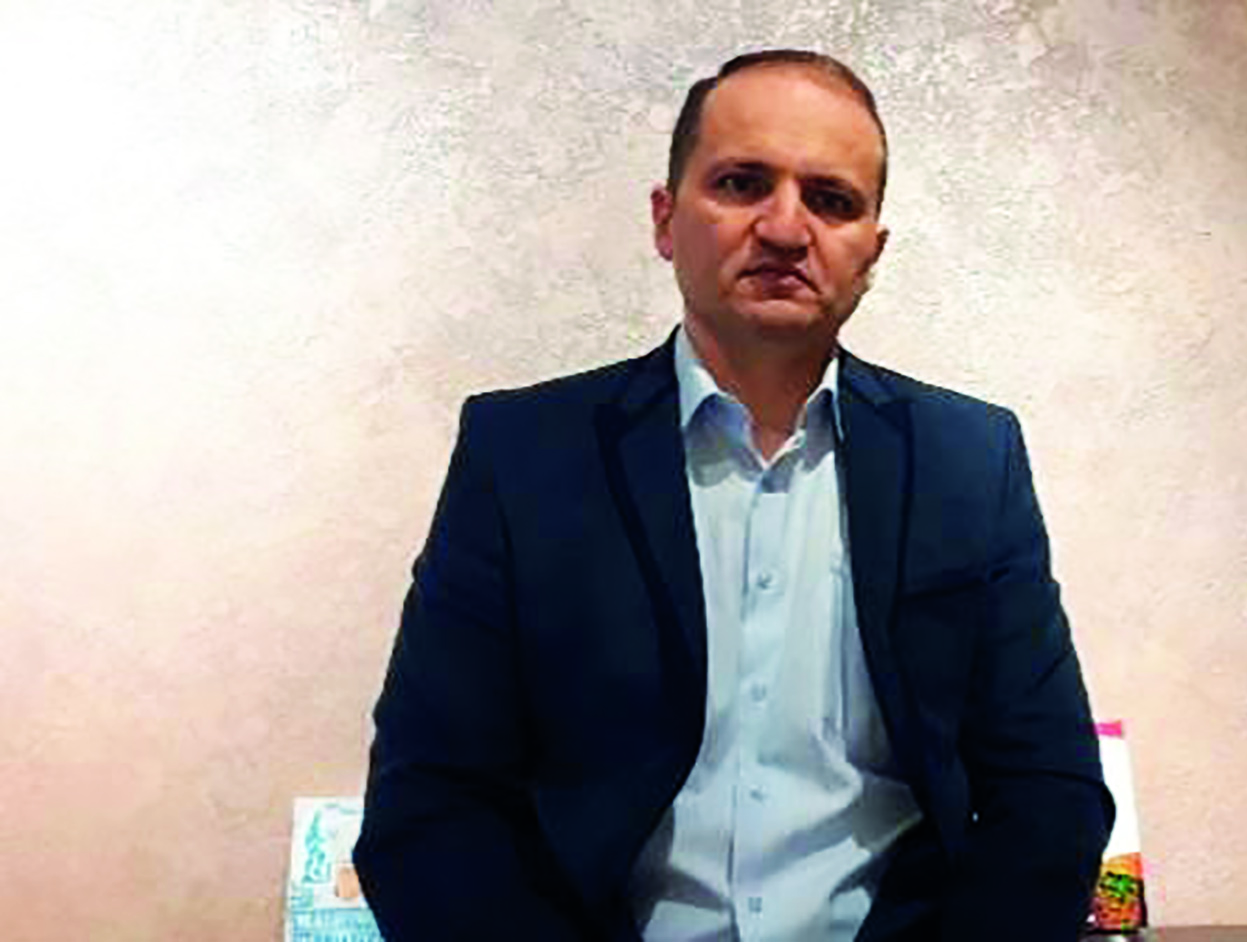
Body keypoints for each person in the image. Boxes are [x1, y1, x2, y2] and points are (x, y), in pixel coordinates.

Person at [353, 49, 1114, 941]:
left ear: (871, 252)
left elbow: (1048, 790)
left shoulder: (969, 462)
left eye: (831, 200)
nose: (786, 228)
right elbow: (431, 799)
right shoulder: (521, 455)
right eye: (742, 183)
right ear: (665, 219)